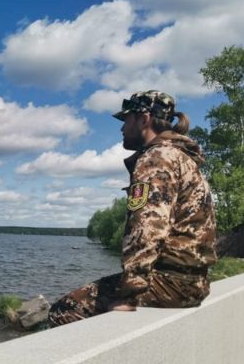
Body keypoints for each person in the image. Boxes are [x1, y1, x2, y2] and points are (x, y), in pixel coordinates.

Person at [48, 90, 217, 327]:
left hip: (168, 284)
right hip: (194, 283)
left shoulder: (156, 158)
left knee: (64, 310)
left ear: (144, 119)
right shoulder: (183, 158)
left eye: (126, 120)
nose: (122, 128)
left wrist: (130, 293)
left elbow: (148, 227)